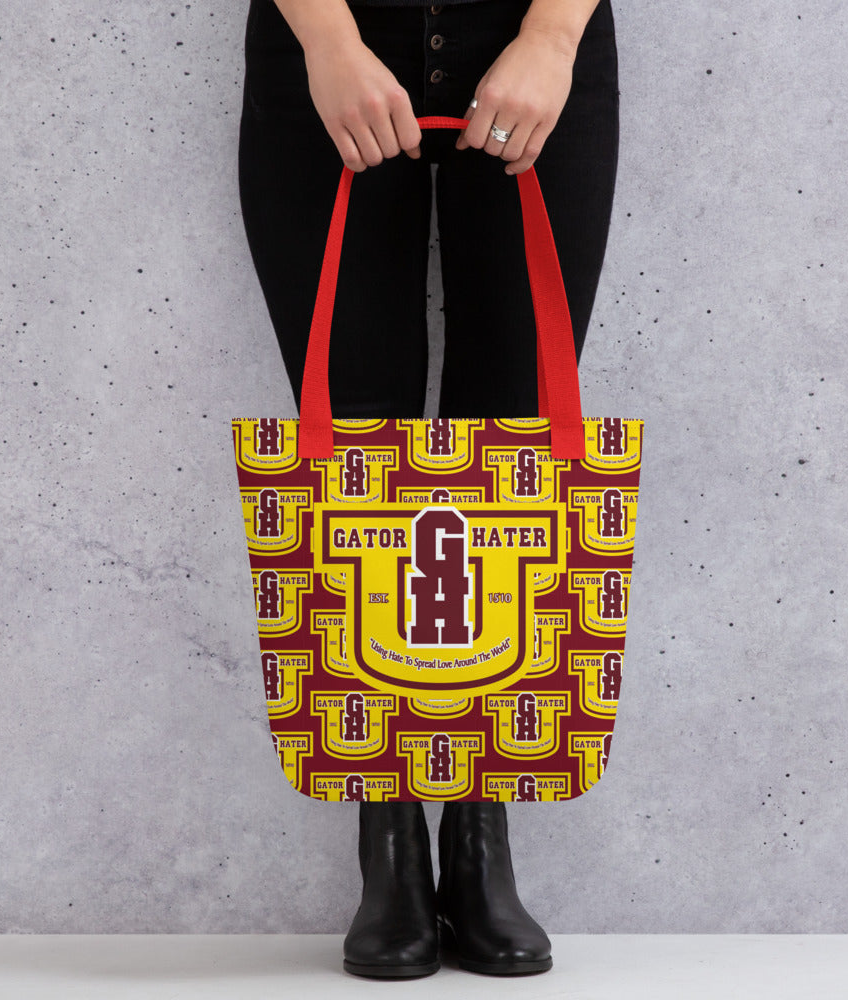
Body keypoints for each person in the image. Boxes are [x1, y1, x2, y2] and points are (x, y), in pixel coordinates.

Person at [238, 0, 619, 979]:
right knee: (353, 455)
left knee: (517, 446)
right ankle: (391, 839)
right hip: (330, 36)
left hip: (534, 32)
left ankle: (479, 835)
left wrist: (553, 38)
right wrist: (328, 41)